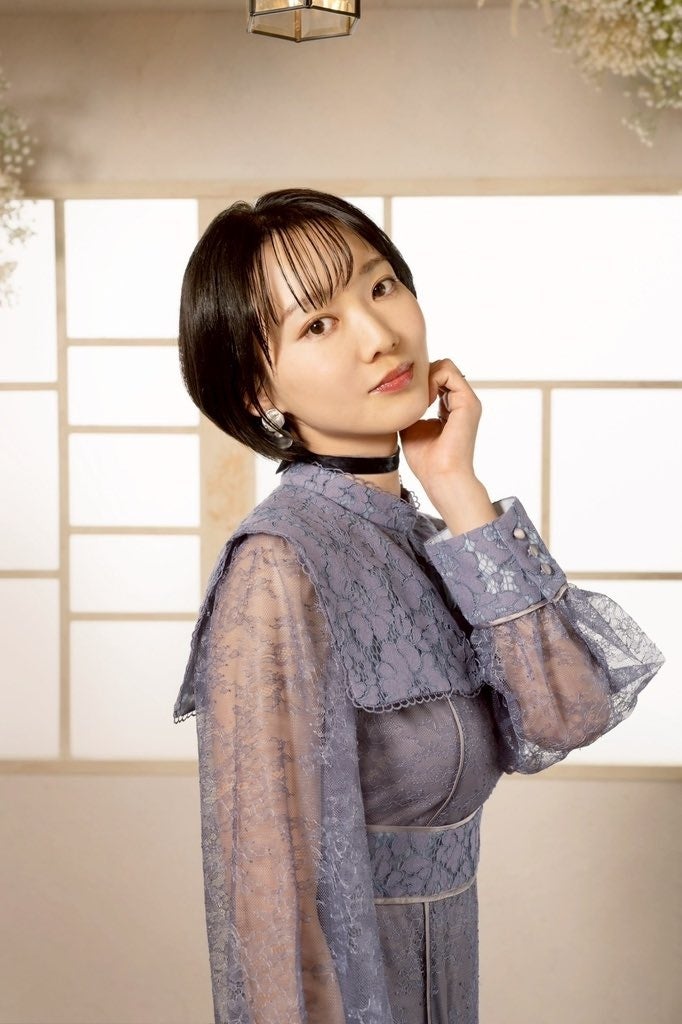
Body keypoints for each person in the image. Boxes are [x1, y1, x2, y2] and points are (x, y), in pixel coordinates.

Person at [172, 188, 665, 1024]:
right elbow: (268, 900)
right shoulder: (277, 567)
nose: (379, 335)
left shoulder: (431, 536)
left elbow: (567, 713)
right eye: (318, 325)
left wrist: (457, 487)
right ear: (257, 387)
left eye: (381, 285)